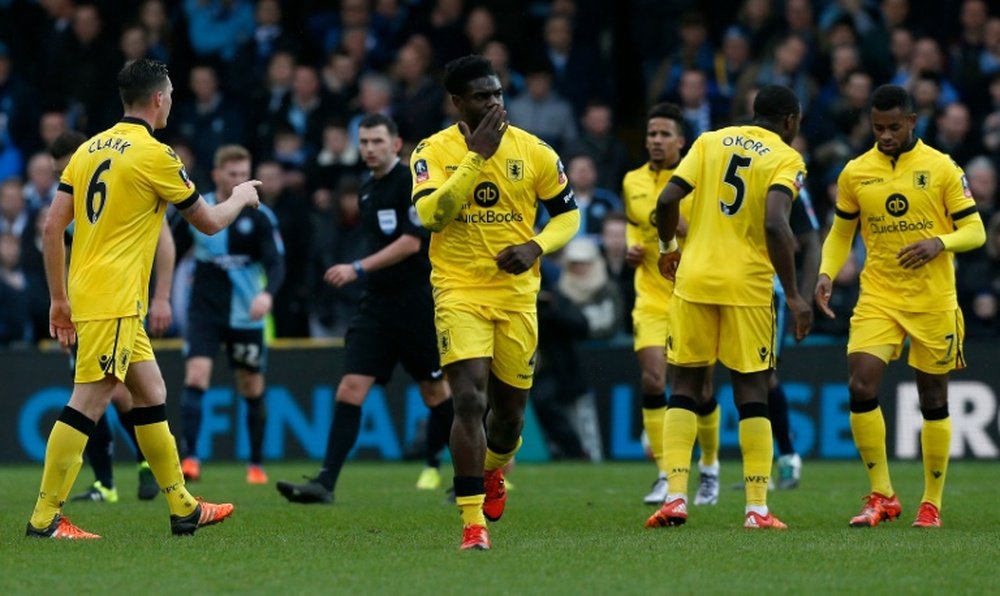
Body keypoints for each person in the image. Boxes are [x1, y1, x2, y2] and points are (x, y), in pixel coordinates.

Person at [27, 58, 260, 539]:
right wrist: (240, 196)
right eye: (171, 93)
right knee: (88, 401)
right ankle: (45, 518)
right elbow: (211, 224)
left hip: (105, 297)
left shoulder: (88, 149)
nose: (172, 100)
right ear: (158, 98)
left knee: (152, 393)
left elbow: (52, 226)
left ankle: (183, 507)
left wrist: (58, 298)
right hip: (114, 298)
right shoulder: (156, 154)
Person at [409, 55, 580, 550]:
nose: (495, 103)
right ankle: (472, 526)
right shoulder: (433, 151)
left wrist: (536, 246)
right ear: (458, 102)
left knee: (508, 419)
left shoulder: (535, 151)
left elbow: (569, 216)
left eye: (499, 93)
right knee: (468, 399)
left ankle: (492, 470)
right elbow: (432, 216)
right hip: (458, 289)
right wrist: (475, 158)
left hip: (517, 297)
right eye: (483, 96)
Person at [815, 84, 986, 529]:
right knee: (860, 383)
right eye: (878, 128)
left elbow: (976, 231)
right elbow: (840, 232)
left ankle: (931, 502)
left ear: (912, 121)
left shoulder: (942, 168)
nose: (885, 135)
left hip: (932, 299)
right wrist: (827, 272)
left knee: (933, 396)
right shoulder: (856, 172)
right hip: (880, 295)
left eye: (893, 127)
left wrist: (939, 242)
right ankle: (882, 494)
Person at [646, 84, 813, 531]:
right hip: (748, 288)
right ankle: (757, 507)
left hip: (694, 279)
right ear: (791, 122)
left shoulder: (709, 140)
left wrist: (667, 247)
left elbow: (665, 201)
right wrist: (795, 295)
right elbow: (777, 222)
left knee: (683, 385)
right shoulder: (785, 158)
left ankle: (675, 498)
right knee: (752, 391)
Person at [275, 114, 454, 504]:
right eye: (365, 141)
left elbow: (411, 244)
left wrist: (356, 268)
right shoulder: (367, 189)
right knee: (351, 387)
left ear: (395, 144)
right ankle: (325, 482)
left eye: (377, 141)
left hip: (416, 304)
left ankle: (472, 476)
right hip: (377, 305)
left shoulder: (411, 183)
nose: (369, 148)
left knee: (435, 391)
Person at [43, 130, 172, 504]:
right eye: (58, 173)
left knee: (118, 392)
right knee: (106, 393)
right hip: (95, 302)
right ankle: (104, 485)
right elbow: (53, 237)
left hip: (107, 301)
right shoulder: (70, 200)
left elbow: (165, 241)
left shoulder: (117, 187)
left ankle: (165, 488)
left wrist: (162, 295)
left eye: (66, 169)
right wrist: (59, 300)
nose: (65, 177)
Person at [621, 103, 721, 507]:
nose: (656, 141)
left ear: (682, 142)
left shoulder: (698, 183)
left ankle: (710, 468)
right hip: (650, 296)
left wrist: (682, 224)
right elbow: (634, 219)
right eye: (651, 134)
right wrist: (631, 243)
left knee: (700, 390)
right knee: (652, 380)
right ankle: (665, 473)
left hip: (692, 295)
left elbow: (714, 234)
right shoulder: (632, 181)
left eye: (664, 135)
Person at [174, 144, 286, 485]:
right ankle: (190, 459)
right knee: (196, 376)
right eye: (234, 175)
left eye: (245, 174)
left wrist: (267, 295)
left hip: (246, 314)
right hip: (205, 311)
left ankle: (255, 464)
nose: (241, 181)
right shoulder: (199, 208)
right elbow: (168, 245)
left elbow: (277, 262)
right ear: (217, 175)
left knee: (251, 386)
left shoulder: (261, 216)